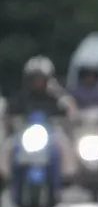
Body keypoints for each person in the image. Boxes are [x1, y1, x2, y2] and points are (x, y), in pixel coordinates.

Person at [2, 56, 79, 184]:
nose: (38, 82)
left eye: (41, 78)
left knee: (64, 143)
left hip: (50, 133)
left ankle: (67, 175)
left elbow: (70, 110)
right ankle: (5, 176)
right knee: (7, 146)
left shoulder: (54, 96)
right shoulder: (21, 97)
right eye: (34, 78)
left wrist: (58, 92)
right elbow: (8, 111)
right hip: (24, 133)